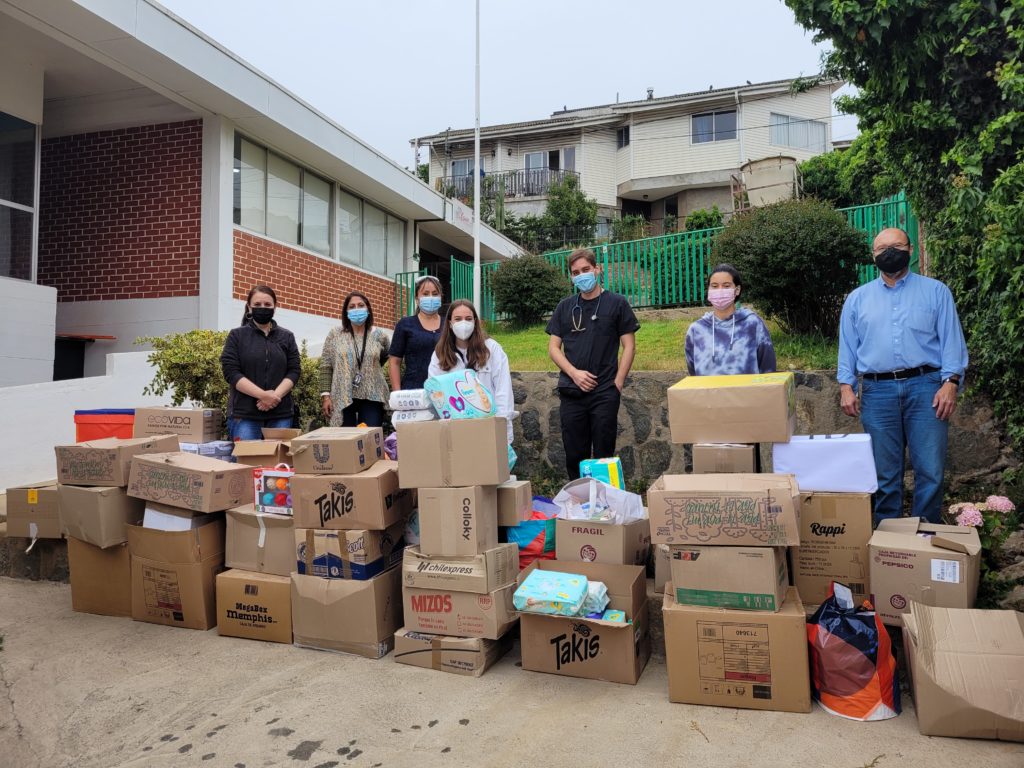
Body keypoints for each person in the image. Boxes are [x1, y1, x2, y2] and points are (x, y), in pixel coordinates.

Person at [838, 227, 968, 525]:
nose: (889, 252)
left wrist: (950, 382)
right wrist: (846, 386)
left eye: (896, 245)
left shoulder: (936, 292)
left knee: (931, 472)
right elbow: (847, 346)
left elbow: (951, 341)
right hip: (876, 392)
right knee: (885, 476)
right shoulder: (857, 300)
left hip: (927, 388)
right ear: (874, 257)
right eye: (882, 248)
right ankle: (889, 544)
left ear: (910, 250)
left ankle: (924, 539)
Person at [547, 248, 639, 480]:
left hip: (605, 392)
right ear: (571, 277)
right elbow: (553, 348)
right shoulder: (565, 307)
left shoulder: (617, 303)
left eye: (586, 270)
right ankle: (579, 506)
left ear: (597, 269)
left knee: (603, 454)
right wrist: (573, 373)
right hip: (572, 391)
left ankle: (605, 505)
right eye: (576, 272)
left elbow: (629, 346)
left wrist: (617, 383)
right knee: (574, 454)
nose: (581, 276)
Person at [220, 285, 301, 441]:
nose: (262, 308)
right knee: (246, 464)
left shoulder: (287, 336)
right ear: (249, 307)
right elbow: (231, 372)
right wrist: (263, 395)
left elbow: (294, 370)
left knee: (277, 464)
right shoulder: (237, 336)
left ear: (275, 308)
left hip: (281, 414)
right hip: (245, 416)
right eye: (257, 305)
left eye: (267, 305)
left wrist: (274, 396)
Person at [428, 299, 515, 444]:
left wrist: (501, 426)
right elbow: (436, 395)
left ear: (475, 322)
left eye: (468, 319)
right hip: (456, 432)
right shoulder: (440, 354)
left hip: (490, 427)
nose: (463, 323)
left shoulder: (492, 349)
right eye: (458, 319)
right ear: (450, 323)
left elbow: (503, 391)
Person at [684, 263, 776, 376]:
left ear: (737, 290)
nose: (720, 290)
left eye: (726, 286)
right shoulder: (696, 330)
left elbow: (768, 369)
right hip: (709, 393)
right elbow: (693, 372)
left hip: (748, 393)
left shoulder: (753, 324)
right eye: (714, 286)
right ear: (708, 290)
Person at [319, 292, 390, 427]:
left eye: (361, 305)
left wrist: (368, 366)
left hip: (372, 394)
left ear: (368, 309)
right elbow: (326, 366)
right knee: (345, 442)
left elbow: (385, 356)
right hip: (342, 394)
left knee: (369, 440)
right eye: (352, 306)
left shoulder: (380, 336)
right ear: (346, 312)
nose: (356, 309)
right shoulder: (335, 334)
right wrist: (326, 396)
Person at [389, 275, 443, 390]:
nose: (431, 297)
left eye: (435, 293)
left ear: (440, 297)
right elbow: (394, 362)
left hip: (444, 392)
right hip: (412, 392)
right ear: (417, 299)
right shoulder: (405, 324)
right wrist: (397, 394)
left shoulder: (449, 325)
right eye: (425, 293)